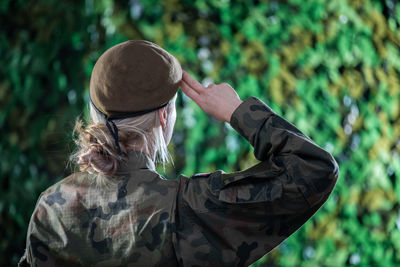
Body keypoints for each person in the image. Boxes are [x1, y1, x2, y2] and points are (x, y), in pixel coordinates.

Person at [19, 40, 339, 267]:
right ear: (164, 117)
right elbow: (314, 170)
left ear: (93, 116)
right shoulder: (191, 211)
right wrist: (239, 112)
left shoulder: (51, 209)